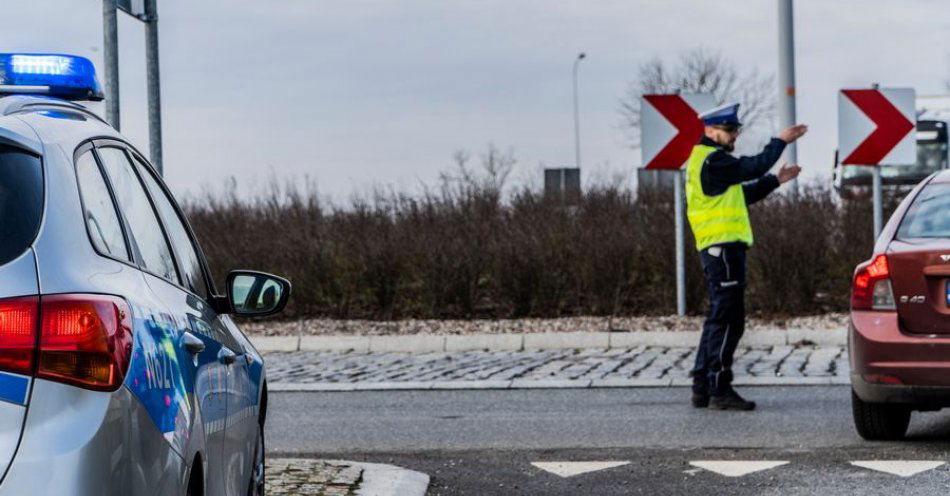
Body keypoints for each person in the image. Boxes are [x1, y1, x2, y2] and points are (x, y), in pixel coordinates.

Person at [686, 102, 806, 411]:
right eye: (729, 130)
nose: (734, 135)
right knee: (729, 320)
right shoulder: (713, 161)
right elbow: (752, 166)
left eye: (736, 129)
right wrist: (780, 141)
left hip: (719, 248)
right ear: (710, 130)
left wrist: (775, 182)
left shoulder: (708, 161)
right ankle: (719, 387)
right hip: (723, 249)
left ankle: (702, 385)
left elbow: (741, 194)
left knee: (718, 317)